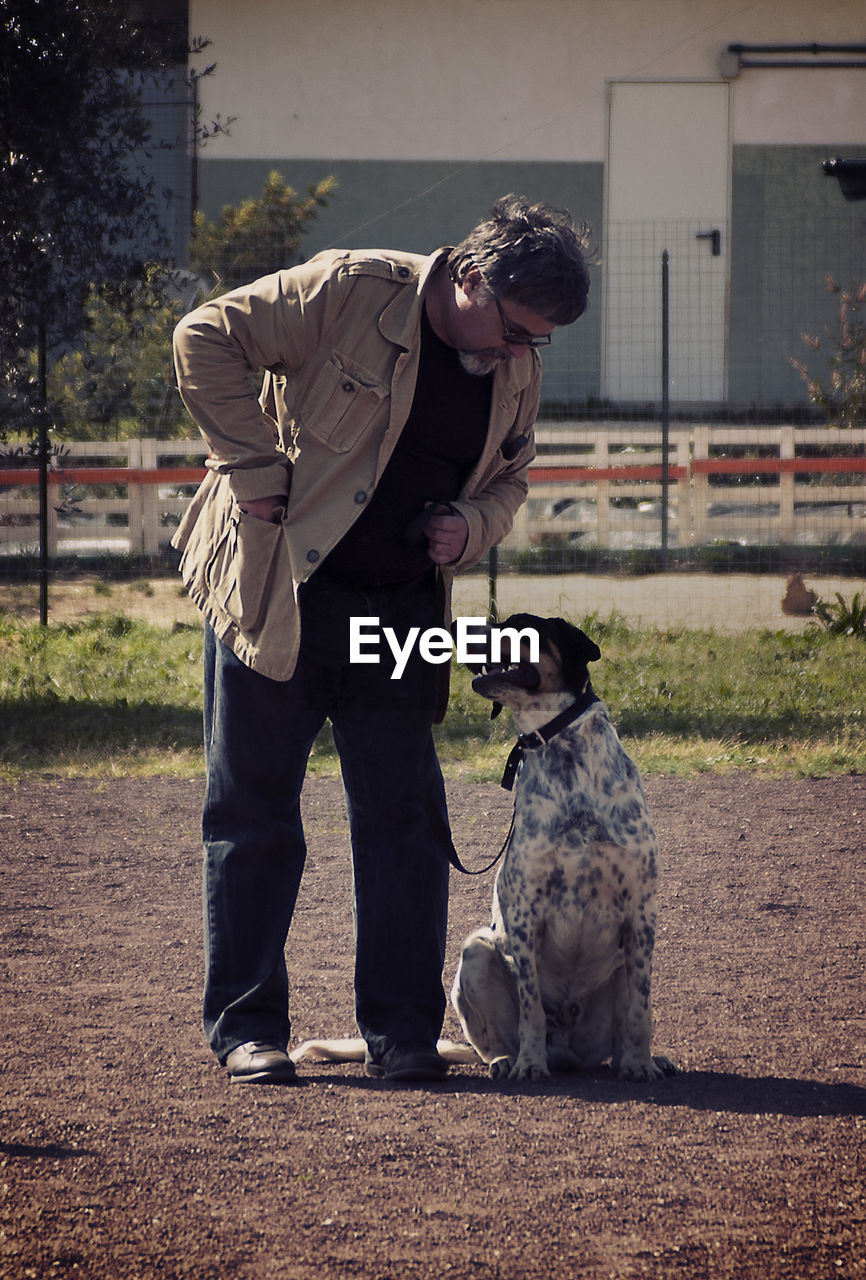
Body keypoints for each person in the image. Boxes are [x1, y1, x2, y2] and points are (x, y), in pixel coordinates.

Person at [172, 194, 592, 1084]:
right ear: (474, 279)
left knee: (405, 815)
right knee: (253, 814)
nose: (522, 354)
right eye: (517, 330)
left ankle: (402, 1034)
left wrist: (470, 527)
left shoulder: (512, 361)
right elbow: (202, 336)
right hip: (279, 592)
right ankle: (248, 1029)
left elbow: (511, 479)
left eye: (538, 342)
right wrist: (251, 468)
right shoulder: (352, 289)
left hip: (398, 618)